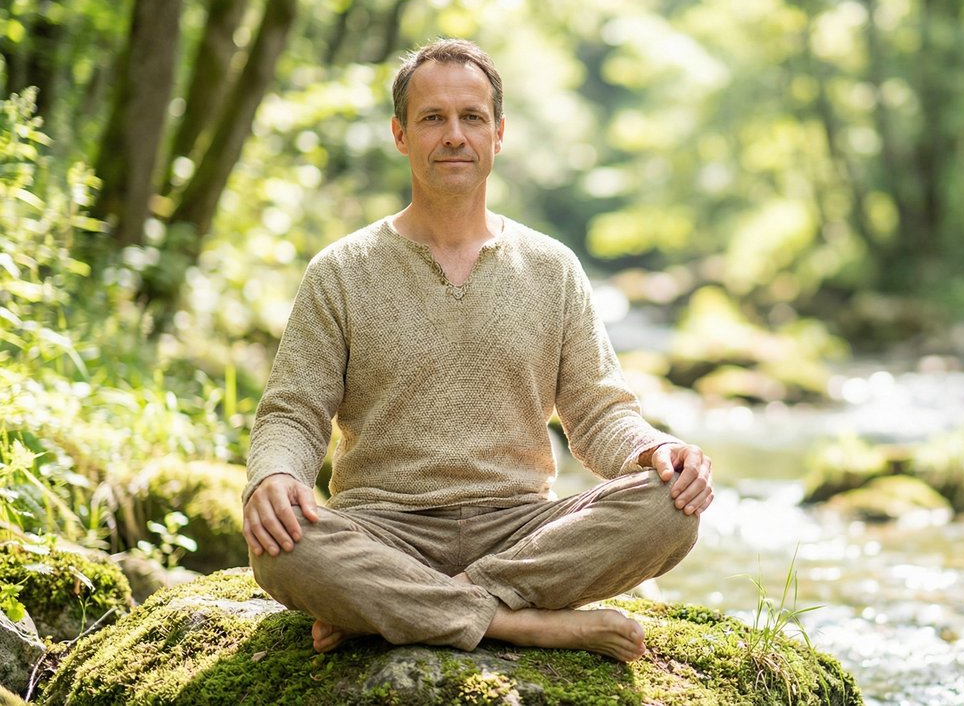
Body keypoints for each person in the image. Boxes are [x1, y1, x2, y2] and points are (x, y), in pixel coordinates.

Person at [241, 38, 713, 662]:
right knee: (280, 547)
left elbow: (598, 413)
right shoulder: (340, 270)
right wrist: (275, 475)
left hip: (522, 531)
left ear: (499, 133)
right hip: (382, 528)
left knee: (670, 508)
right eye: (432, 118)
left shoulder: (551, 268)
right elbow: (293, 412)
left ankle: (395, 610)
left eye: (472, 117)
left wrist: (654, 449)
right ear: (401, 134)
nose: (454, 135)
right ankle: (525, 624)